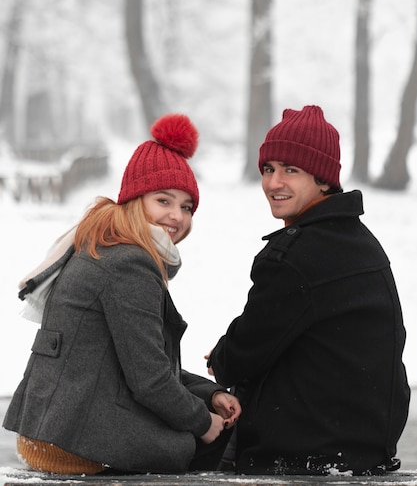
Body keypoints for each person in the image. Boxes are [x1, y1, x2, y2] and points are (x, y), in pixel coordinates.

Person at [3, 113, 241, 475]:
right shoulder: (129, 263)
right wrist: (204, 421)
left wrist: (209, 394)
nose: (177, 216)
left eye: (186, 206)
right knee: (217, 444)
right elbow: (150, 381)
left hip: (53, 427)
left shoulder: (105, 244)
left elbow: (141, 361)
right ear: (134, 199)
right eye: (164, 201)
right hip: (72, 440)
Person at [206, 105, 410, 476]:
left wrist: (219, 357)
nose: (273, 183)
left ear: (323, 180)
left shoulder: (296, 258)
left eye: (291, 170)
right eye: (268, 169)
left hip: (302, 456)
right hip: (363, 447)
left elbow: (244, 352)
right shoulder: (361, 242)